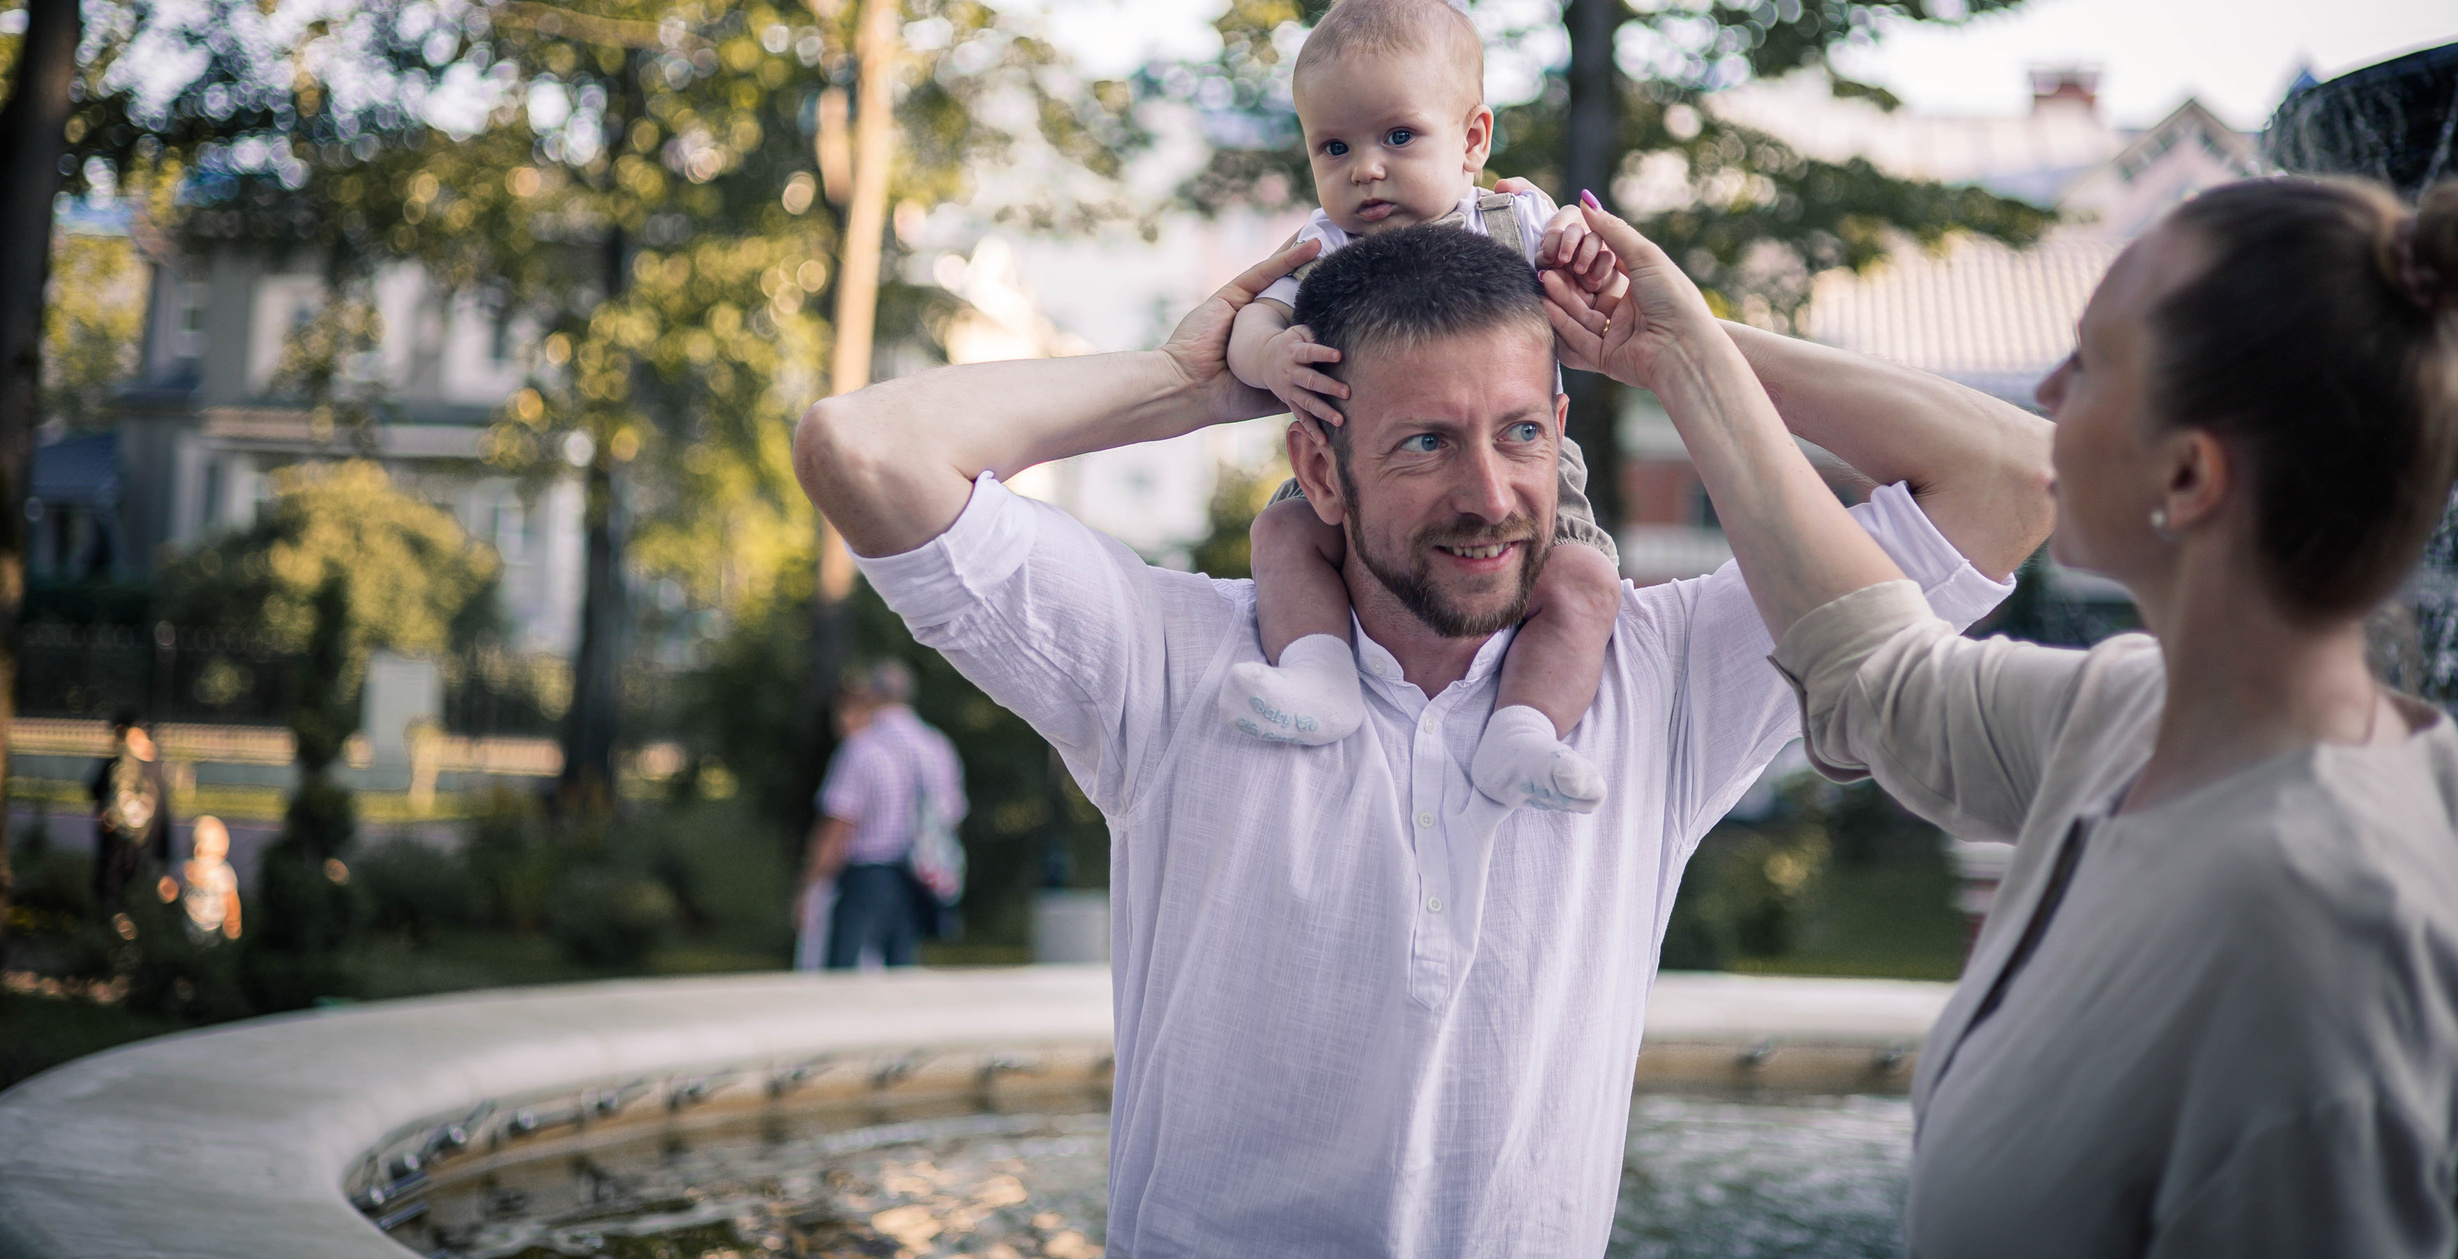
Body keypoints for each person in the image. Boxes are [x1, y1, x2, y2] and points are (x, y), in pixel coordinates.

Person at [792, 216, 2051, 1255]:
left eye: (1520, 434)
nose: (1490, 495)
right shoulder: (1168, 662)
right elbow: (866, 447)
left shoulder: (1657, 680)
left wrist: (1681, 350)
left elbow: (2014, 480)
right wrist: (1182, 385)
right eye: (1424, 443)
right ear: (1321, 473)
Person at [1540, 179, 2458, 1258]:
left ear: (2188, 472)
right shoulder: (2134, 716)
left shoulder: (2322, 940)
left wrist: (1688, 348)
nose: (2044, 388)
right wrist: (1672, 343)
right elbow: (1875, 665)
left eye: (2093, 363)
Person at [1221, 0, 1630, 813]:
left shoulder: (1516, 222)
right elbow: (1244, 324)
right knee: (1282, 532)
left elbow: (1599, 287)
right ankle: (1319, 673)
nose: (1365, 169)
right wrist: (1273, 356)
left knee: (1584, 582)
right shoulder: (1323, 243)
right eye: (1333, 148)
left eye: (1399, 136)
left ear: (1473, 137)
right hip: (1354, 471)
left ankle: (1525, 730)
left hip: (1533, 468)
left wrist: (1590, 253)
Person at [799, 661, 968, 969]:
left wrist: (810, 886)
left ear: (873, 694)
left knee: (843, 972)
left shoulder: (862, 747)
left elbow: (839, 824)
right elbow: (952, 819)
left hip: (867, 874)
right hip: (919, 875)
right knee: (900, 974)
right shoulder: (939, 746)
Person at [89, 712, 168, 912]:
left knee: (139, 887)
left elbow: (164, 814)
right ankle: (111, 917)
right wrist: (105, 814)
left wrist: (164, 855)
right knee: (112, 884)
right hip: (116, 842)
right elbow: (95, 790)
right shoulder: (115, 763)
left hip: (144, 843)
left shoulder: (154, 768)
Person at [177, 814, 242, 944]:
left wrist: (233, 919)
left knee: (211, 950)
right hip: (189, 924)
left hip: (214, 926)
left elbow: (230, 896)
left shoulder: (223, 873)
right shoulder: (187, 868)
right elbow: (175, 883)